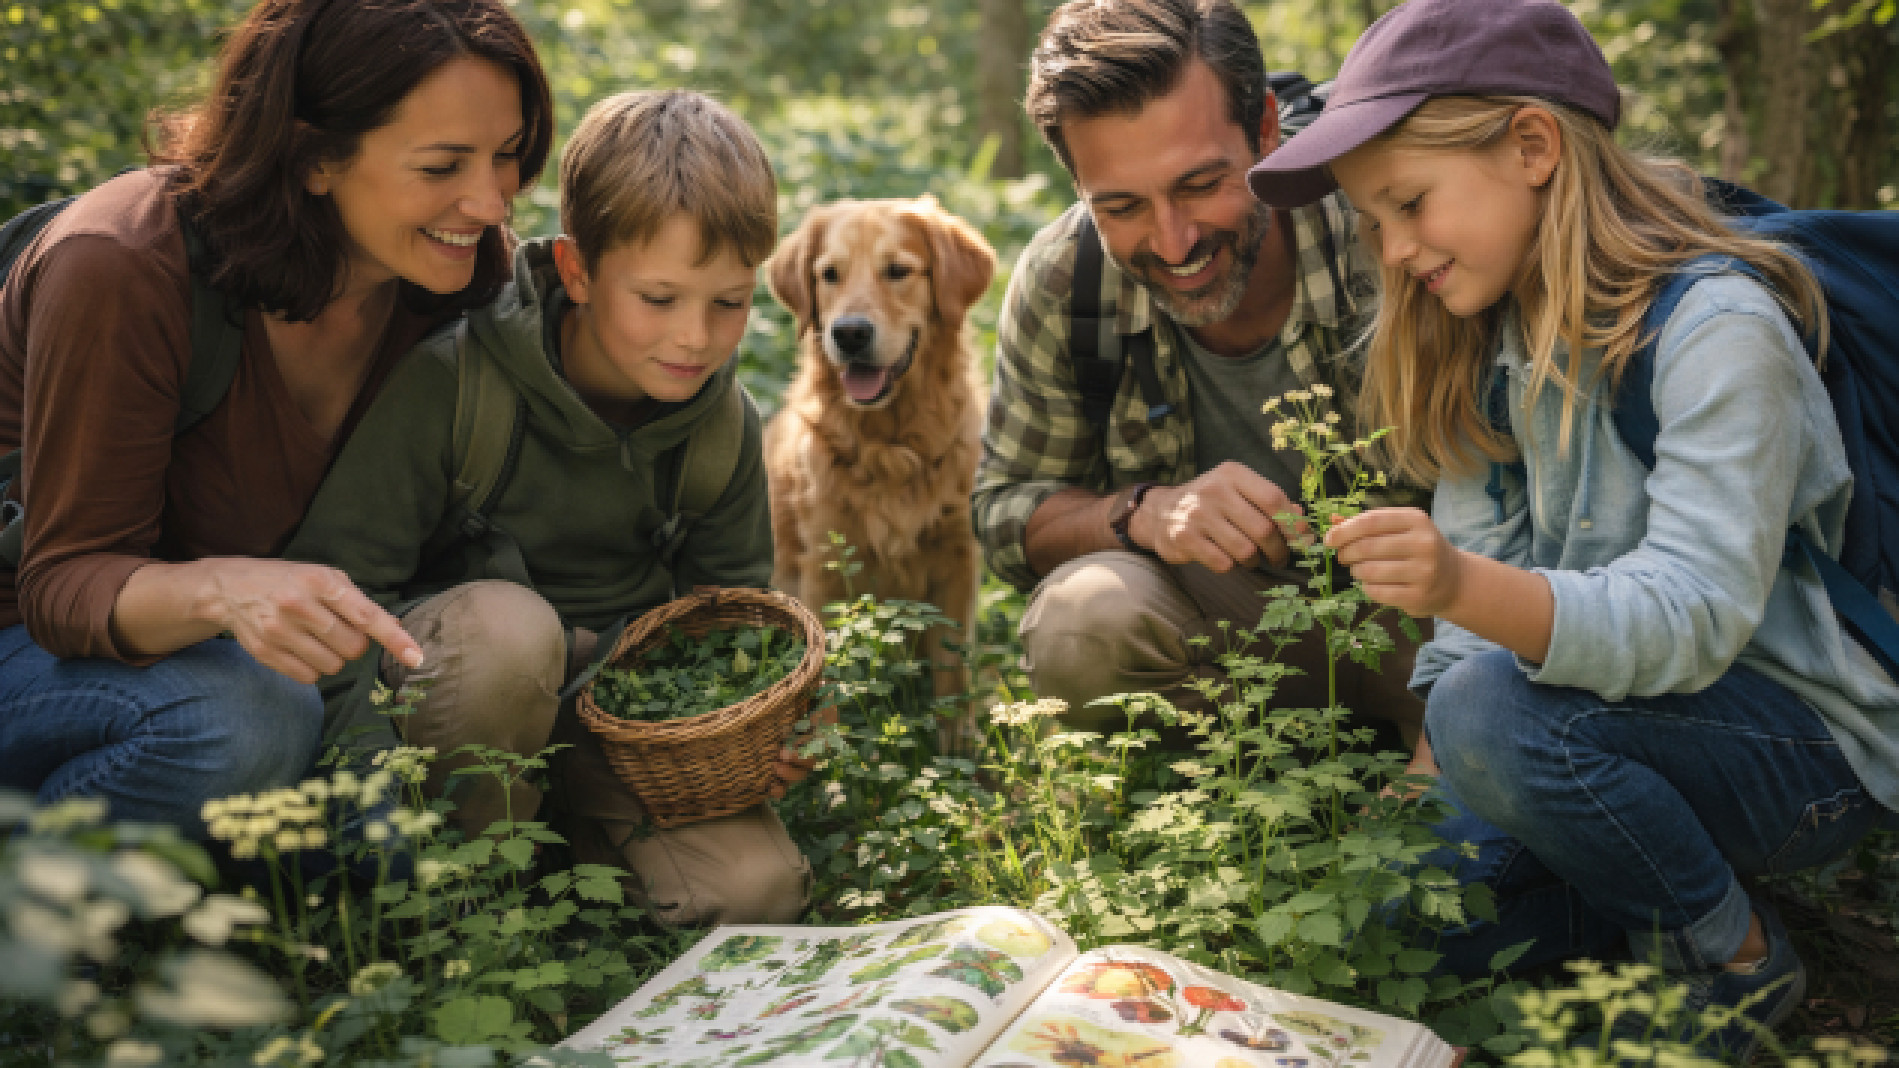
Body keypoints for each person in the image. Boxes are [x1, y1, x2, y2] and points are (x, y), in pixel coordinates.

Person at [1248, 0, 1898, 1053]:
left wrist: (1458, 589)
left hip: (1801, 744)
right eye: (1375, 224)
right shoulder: (1493, 337)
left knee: (1497, 716)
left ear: (1534, 146)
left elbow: (1690, 616)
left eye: (1410, 203)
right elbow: (1465, 657)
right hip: (1596, 722)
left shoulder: (1720, 331)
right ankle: (1644, 896)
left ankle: (1733, 960)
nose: (1397, 248)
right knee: (1401, 919)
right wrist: (1413, 837)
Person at [0, 0, 554, 834]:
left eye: (506, 156)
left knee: (402, 856)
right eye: (442, 166)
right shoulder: (119, 265)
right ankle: (42, 913)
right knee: (242, 720)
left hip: (274, 661)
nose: (487, 202)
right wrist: (225, 591)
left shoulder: (452, 272)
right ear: (312, 156)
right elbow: (62, 586)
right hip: (47, 654)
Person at [283, 90, 809, 926]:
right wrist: (369, 816)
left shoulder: (720, 426)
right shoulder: (453, 385)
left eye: (728, 302)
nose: (696, 339)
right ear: (577, 272)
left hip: (618, 736)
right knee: (506, 632)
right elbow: (333, 603)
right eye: (659, 298)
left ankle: (570, 856)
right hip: (460, 710)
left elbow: (728, 630)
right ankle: (464, 904)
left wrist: (770, 725)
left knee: (755, 893)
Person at [975, 0, 1429, 742]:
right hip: (1232, 624)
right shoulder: (1066, 282)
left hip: (1439, 623)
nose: (1173, 240)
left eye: (1198, 185)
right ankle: (1254, 798)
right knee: (1080, 618)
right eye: (1119, 205)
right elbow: (1004, 511)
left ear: (1265, 130)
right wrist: (1141, 512)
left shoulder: (1382, 225)